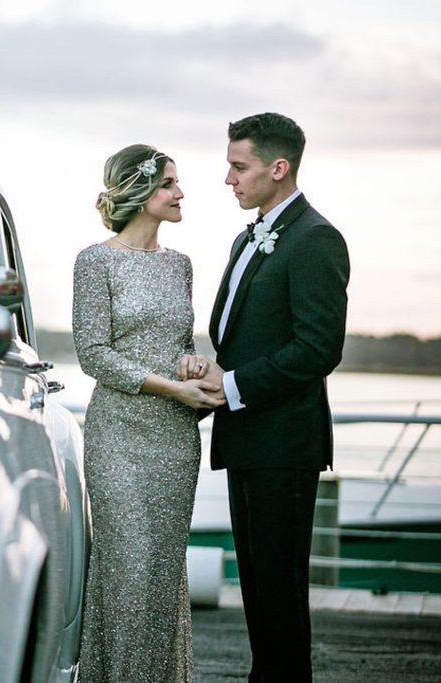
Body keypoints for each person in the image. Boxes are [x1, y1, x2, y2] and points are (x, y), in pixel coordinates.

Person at [180, 113, 350, 682]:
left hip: (284, 445)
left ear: (279, 168)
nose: (229, 178)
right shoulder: (249, 234)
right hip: (248, 439)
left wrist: (231, 387)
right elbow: (245, 333)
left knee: (278, 596)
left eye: (239, 166)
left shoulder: (315, 238)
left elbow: (318, 348)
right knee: (257, 593)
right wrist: (214, 370)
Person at [73, 143, 224, 682]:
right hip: (118, 435)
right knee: (128, 571)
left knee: (160, 574)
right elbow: (94, 354)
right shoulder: (96, 261)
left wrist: (191, 366)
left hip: (175, 439)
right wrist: (168, 388)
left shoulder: (181, 265)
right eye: (169, 184)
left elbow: (176, 344)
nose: (180, 193)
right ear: (139, 193)